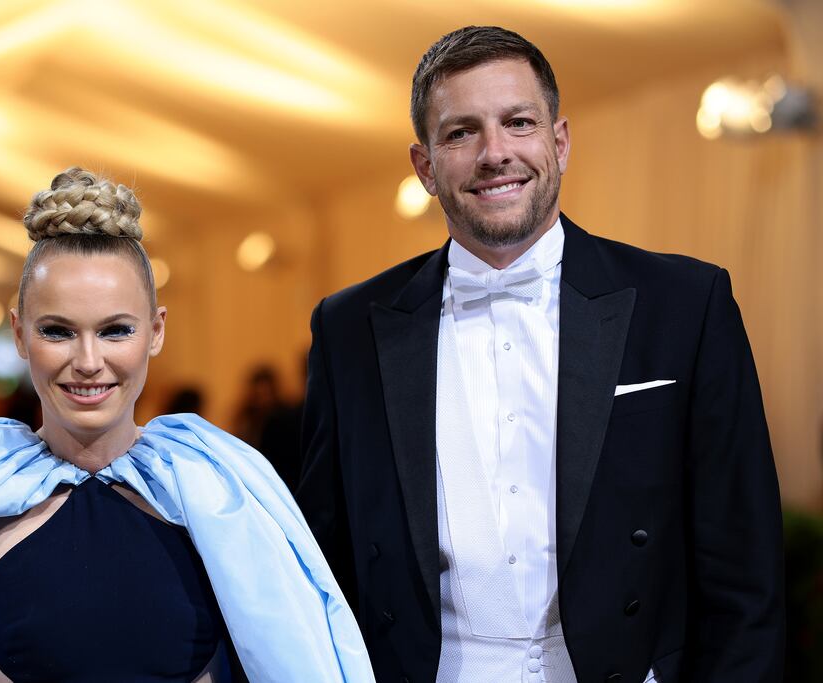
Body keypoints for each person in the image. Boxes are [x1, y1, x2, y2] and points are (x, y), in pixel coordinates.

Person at [297, 26, 783, 683]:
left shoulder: (685, 304)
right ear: (425, 166)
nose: (495, 153)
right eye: (461, 132)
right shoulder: (349, 327)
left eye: (518, 122)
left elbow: (745, 567)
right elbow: (328, 559)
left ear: (558, 141)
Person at [0, 168, 374, 682]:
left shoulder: (222, 490)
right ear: (20, 334)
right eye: (57, 331)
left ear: (157, 330)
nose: (89, 360)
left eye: (116, 330)